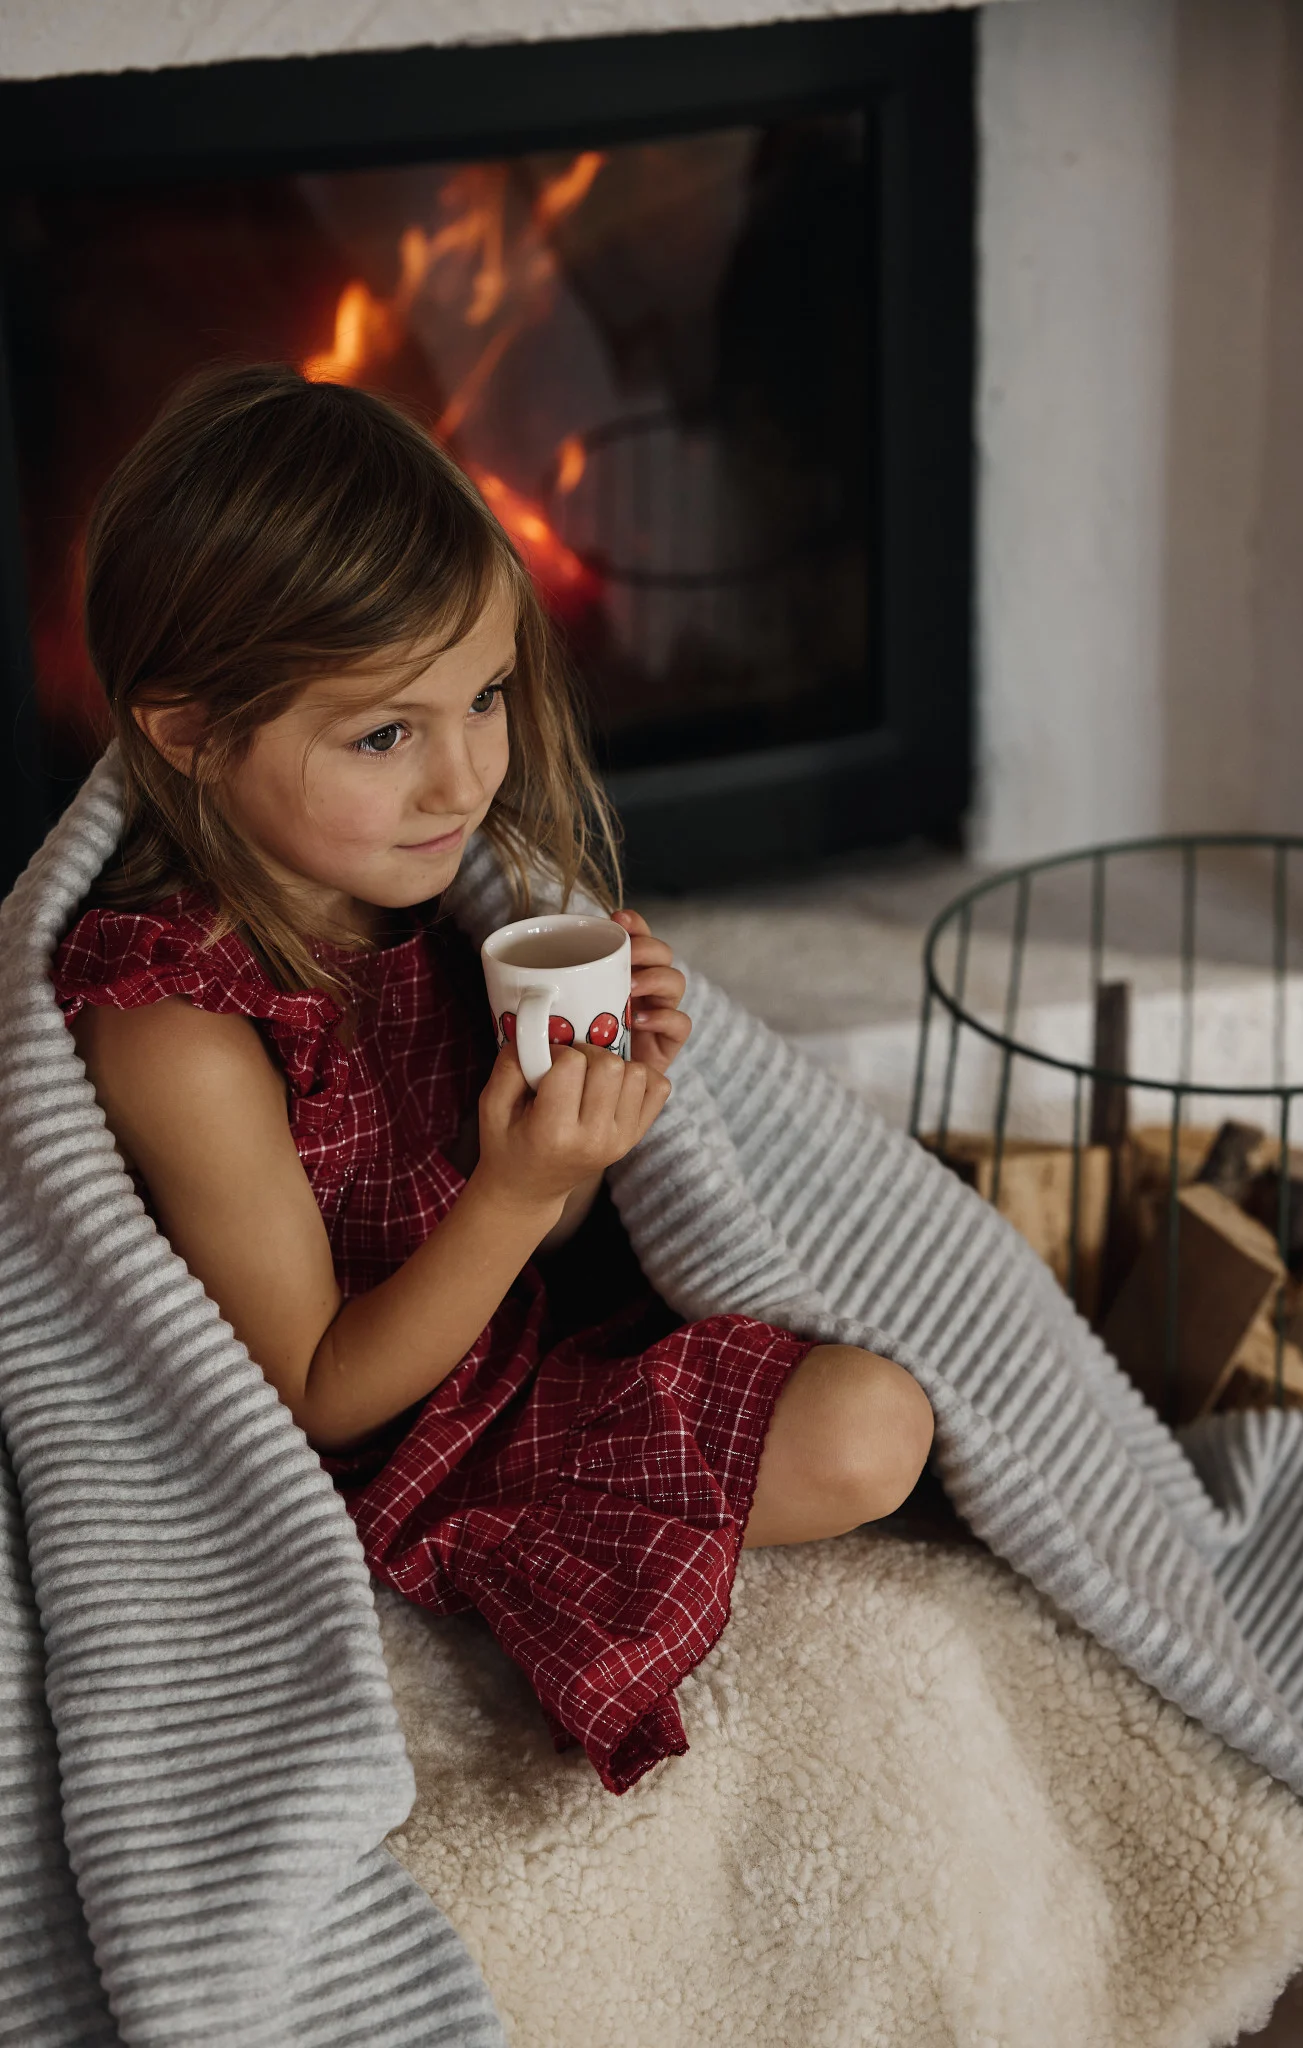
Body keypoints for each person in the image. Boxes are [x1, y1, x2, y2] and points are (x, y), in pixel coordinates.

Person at [50, 362, 934, 1793]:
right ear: (192, 735)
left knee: (882, 1406)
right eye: (386, 734)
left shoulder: (436, 903)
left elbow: (556, 1249)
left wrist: (593, 1130)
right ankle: (493, 1579)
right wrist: (524, 1192)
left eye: (486, 697)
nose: (462, 784)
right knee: (862, 1444)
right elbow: (322, 1395)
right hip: (389, 1463)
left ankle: (564, 1534)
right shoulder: (178, 1025)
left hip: (516, 1357)